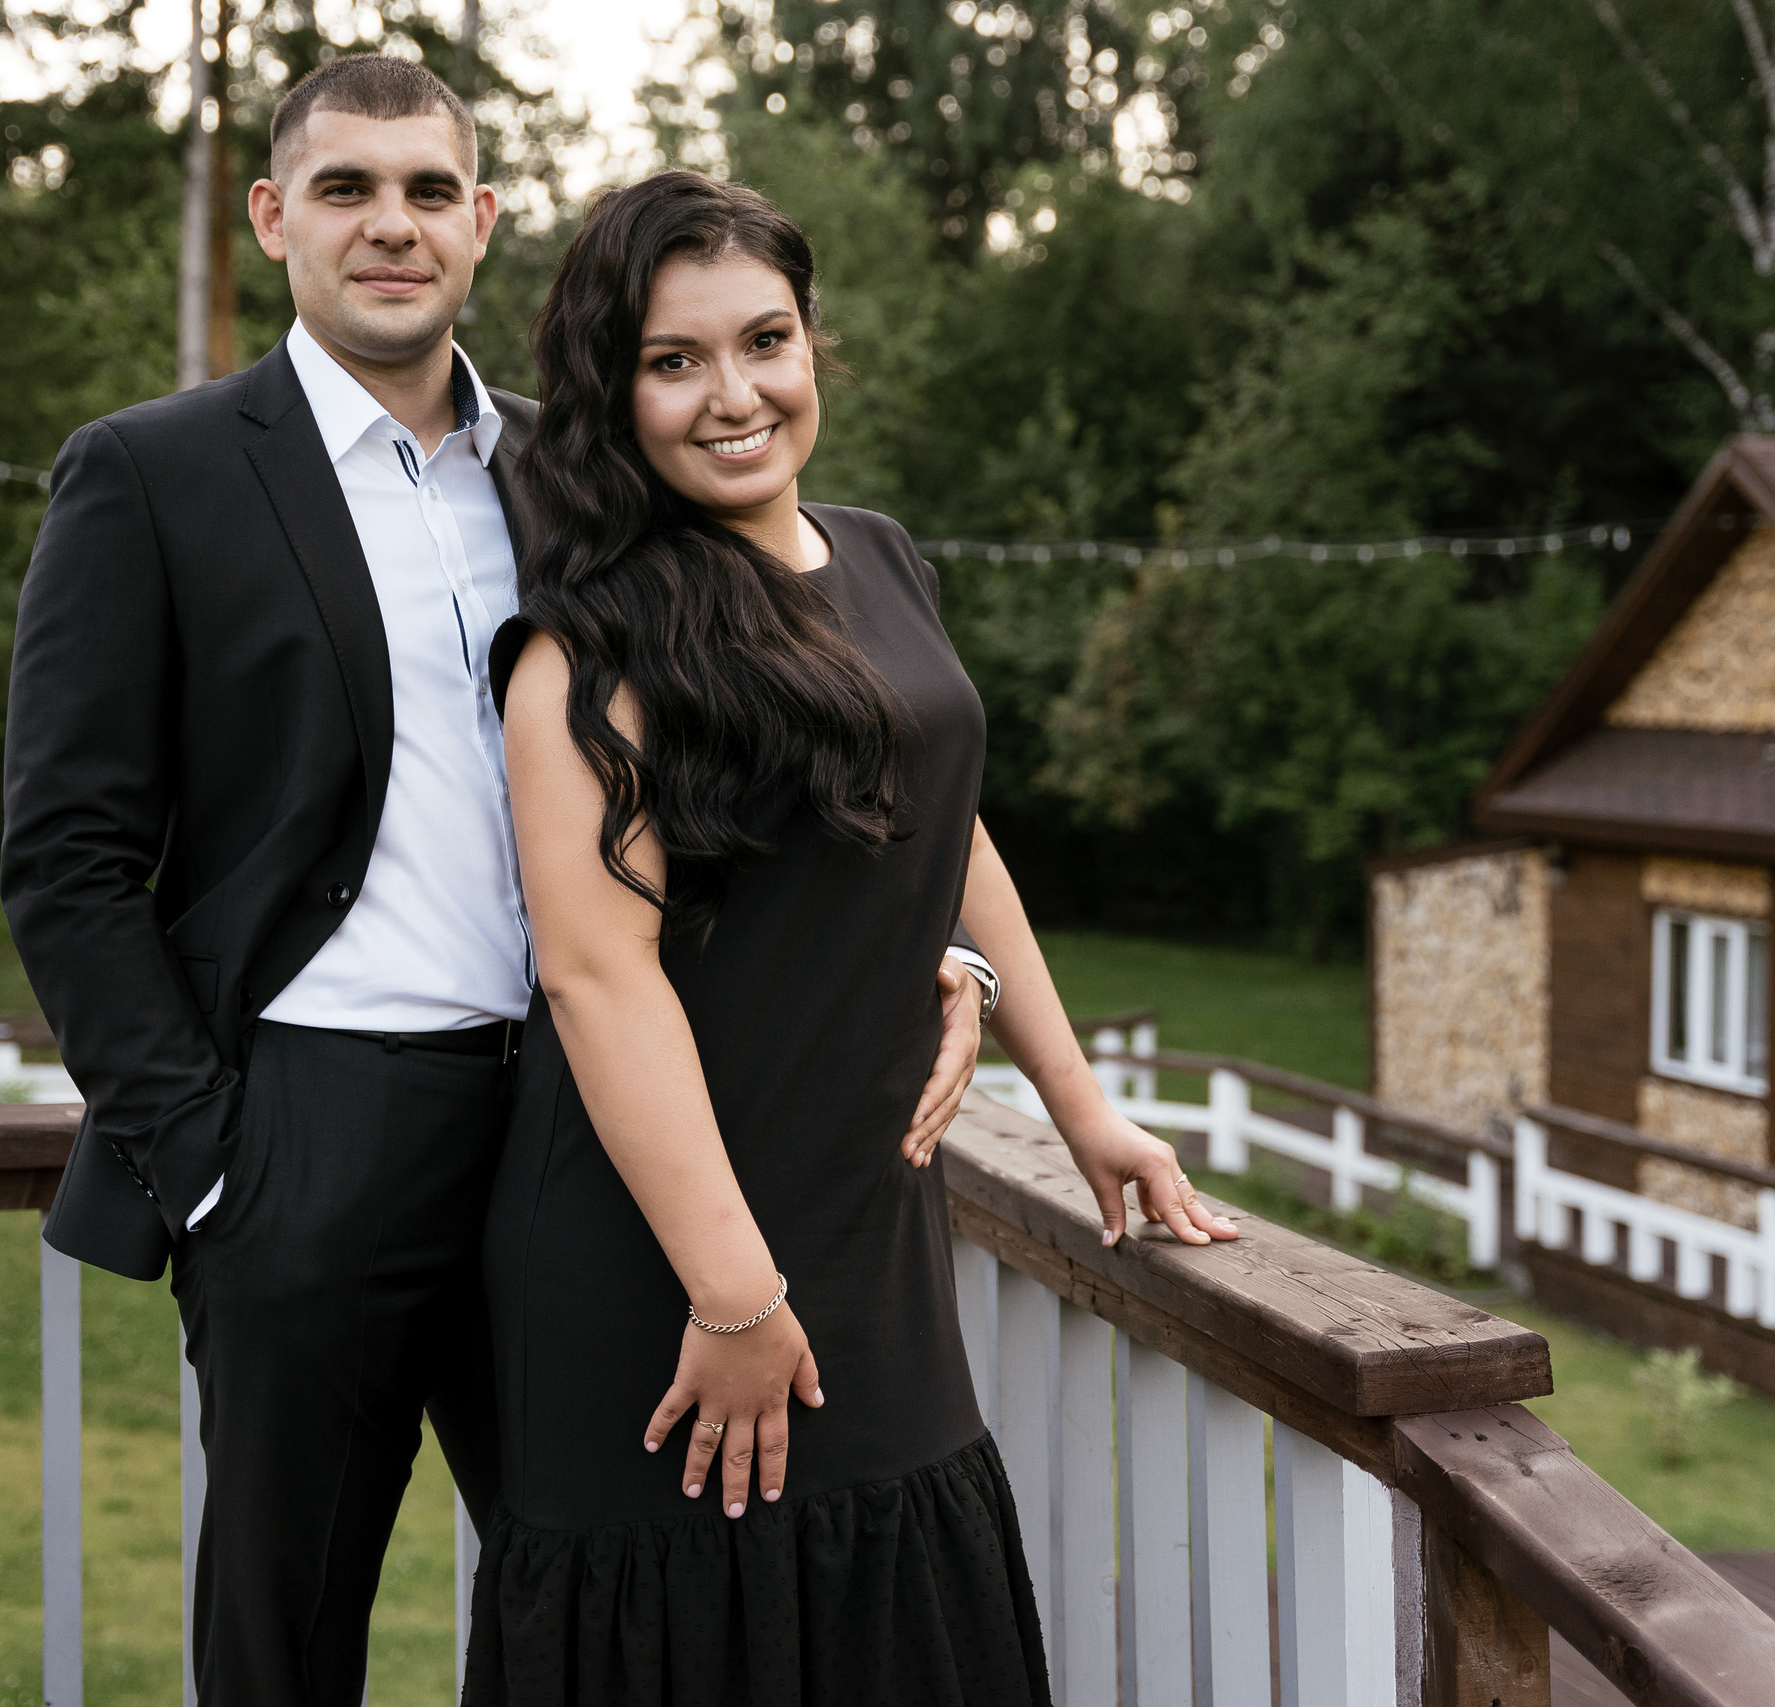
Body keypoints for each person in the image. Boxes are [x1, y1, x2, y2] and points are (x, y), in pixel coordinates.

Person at [0, 59, 985, 1704]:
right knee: (287, 1625)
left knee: (599, 1589)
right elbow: (68, 858)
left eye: (429, 191)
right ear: (274, 219)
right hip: (311, 1132)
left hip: (584, 1151)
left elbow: (800, 742)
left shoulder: (589, 474)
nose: (392, 224)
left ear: (484, 221)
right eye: (346, 188)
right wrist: (212, 1166)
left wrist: (934, 959)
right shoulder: (152, 473)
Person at [467, 172, 1239, 1706]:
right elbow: (599, 977)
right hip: (659, 1257)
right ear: (611, 391)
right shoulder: (592, 639)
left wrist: (1080, 1104)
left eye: (767, 341)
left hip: (872, 1228)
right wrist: (734, 1295)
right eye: (673, 361)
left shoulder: (880, 559)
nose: (733, 395)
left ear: (817, 344)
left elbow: (946, 831)